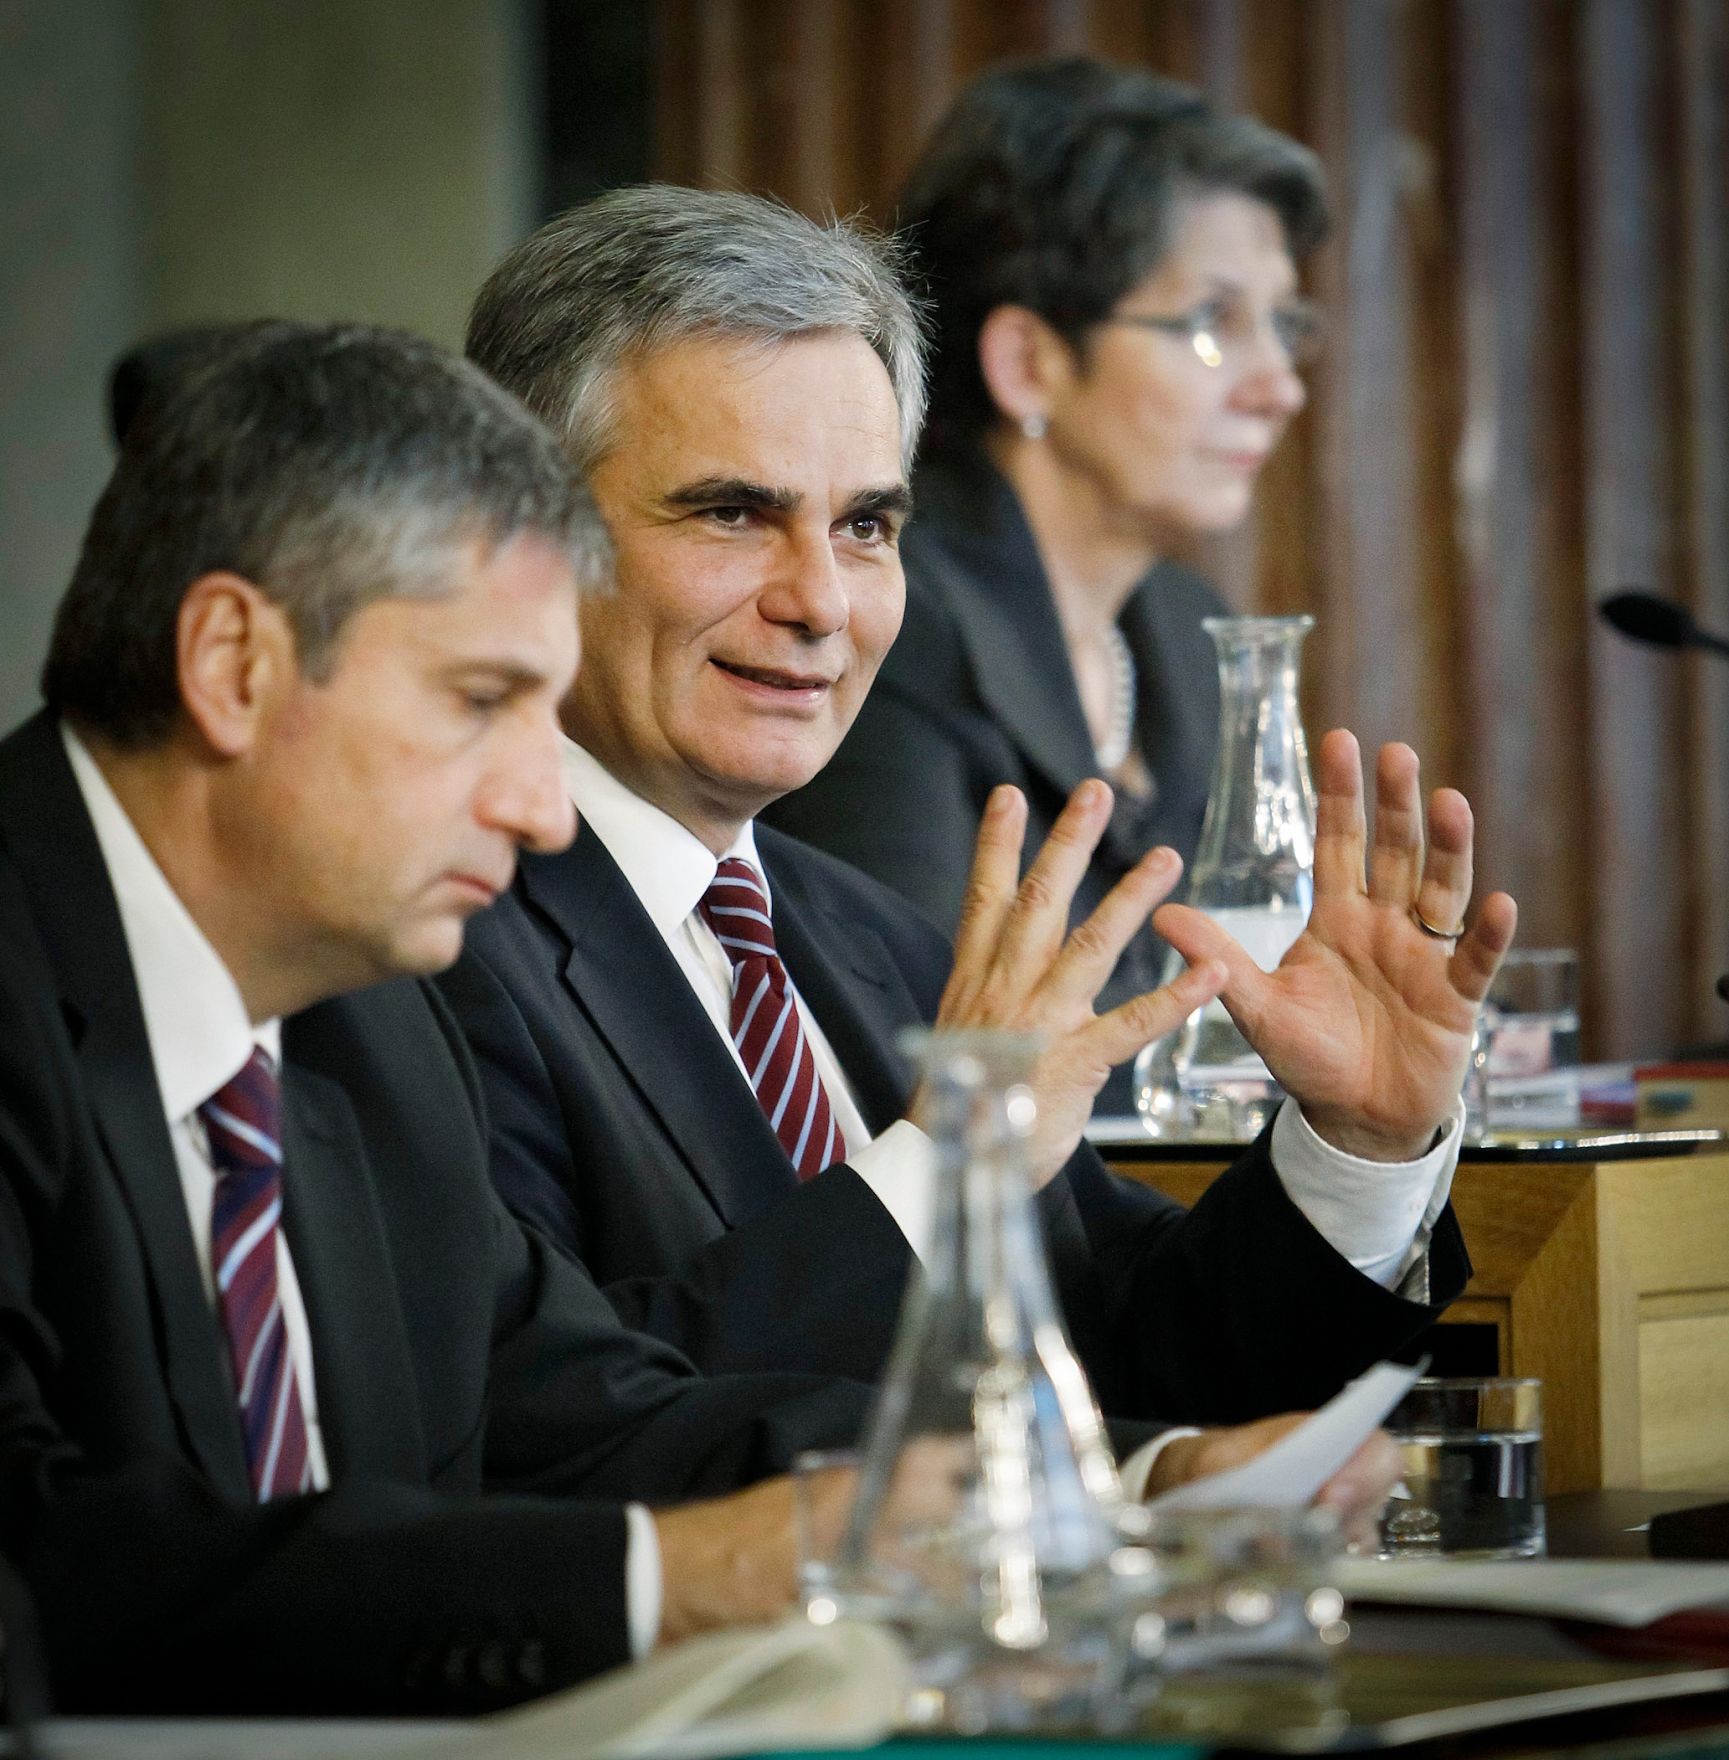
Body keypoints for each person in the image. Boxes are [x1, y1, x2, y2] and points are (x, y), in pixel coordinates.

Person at [447, 187, 1514, 1472]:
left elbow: (1143, 1351)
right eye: (730, 512)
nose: (820, 602)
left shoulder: (868, 935)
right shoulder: (428, 940)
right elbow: (553, 1425)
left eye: (865, 527)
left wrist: (1359, 1143)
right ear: (522, 540)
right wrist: (949, 1176)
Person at [0, 320, 904, 1715]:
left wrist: (1104, 1482)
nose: (542, 808)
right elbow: (37, 1565)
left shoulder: (371, 1030)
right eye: (480, 701)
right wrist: (664, 1584)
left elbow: (586, 1422)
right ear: (232, 662)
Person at [766, 58, 1330, 1101]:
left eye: (1284, 323)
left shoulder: (1185, 628)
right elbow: (912, 1043)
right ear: (1027, 360)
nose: (1279, 386)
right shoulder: (893, 614)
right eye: (1212, 323)